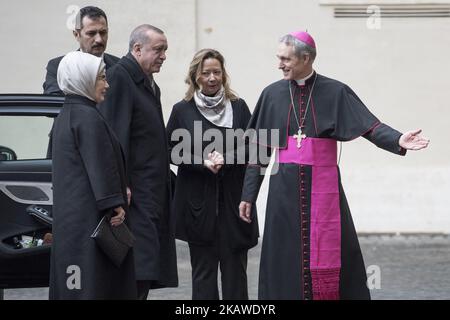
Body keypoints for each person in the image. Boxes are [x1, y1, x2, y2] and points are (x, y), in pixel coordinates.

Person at [239, 31, 430, 300]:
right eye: (278, 57)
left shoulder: (335, 91)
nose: (279, 64)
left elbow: (370, 127)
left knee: (336, 253)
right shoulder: (271, 95)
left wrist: (398, 139)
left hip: (324, 189)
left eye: (285, 58)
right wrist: (249, 194)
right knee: (283, 254)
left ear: (306, 58)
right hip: (283, 192)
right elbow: (259, 150)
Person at [167, 49, 259, 300]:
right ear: (195, 76)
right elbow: (169, 151)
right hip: (198, 208)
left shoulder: (239, 108)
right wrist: (200, 162)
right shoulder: (181, 110)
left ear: (223, 75)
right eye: (205, 72)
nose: (211, 78)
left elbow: (254, 147)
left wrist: (227, 159)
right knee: (203, 277)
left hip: (234, 205)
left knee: (236, 278)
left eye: (216, 72)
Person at [49, 51, 136, 299]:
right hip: (91, 221)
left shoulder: (66, 115)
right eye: (101, 78)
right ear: (82, 79)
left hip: (72, 223)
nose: (106, 84)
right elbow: (100, 164)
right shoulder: (88, 117)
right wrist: (114, 204)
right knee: (91, 285)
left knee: (73, 286)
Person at [99, 24, 178, 300]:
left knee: (145, 271)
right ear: (137, 49)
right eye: (159, 49)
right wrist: (121, 187)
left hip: (151, 195)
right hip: (134, 200)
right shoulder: (121, 77)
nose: (164, 55)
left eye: (165, 49)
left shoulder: (146, 81)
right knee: (136, 273)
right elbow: (114, 135)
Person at [43, 6, 119, 95]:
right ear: (76, 35)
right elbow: (54, 103)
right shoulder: (58, 66)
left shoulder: (119, 66)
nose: (99, 39)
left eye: (103, 33)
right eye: (91, 33)